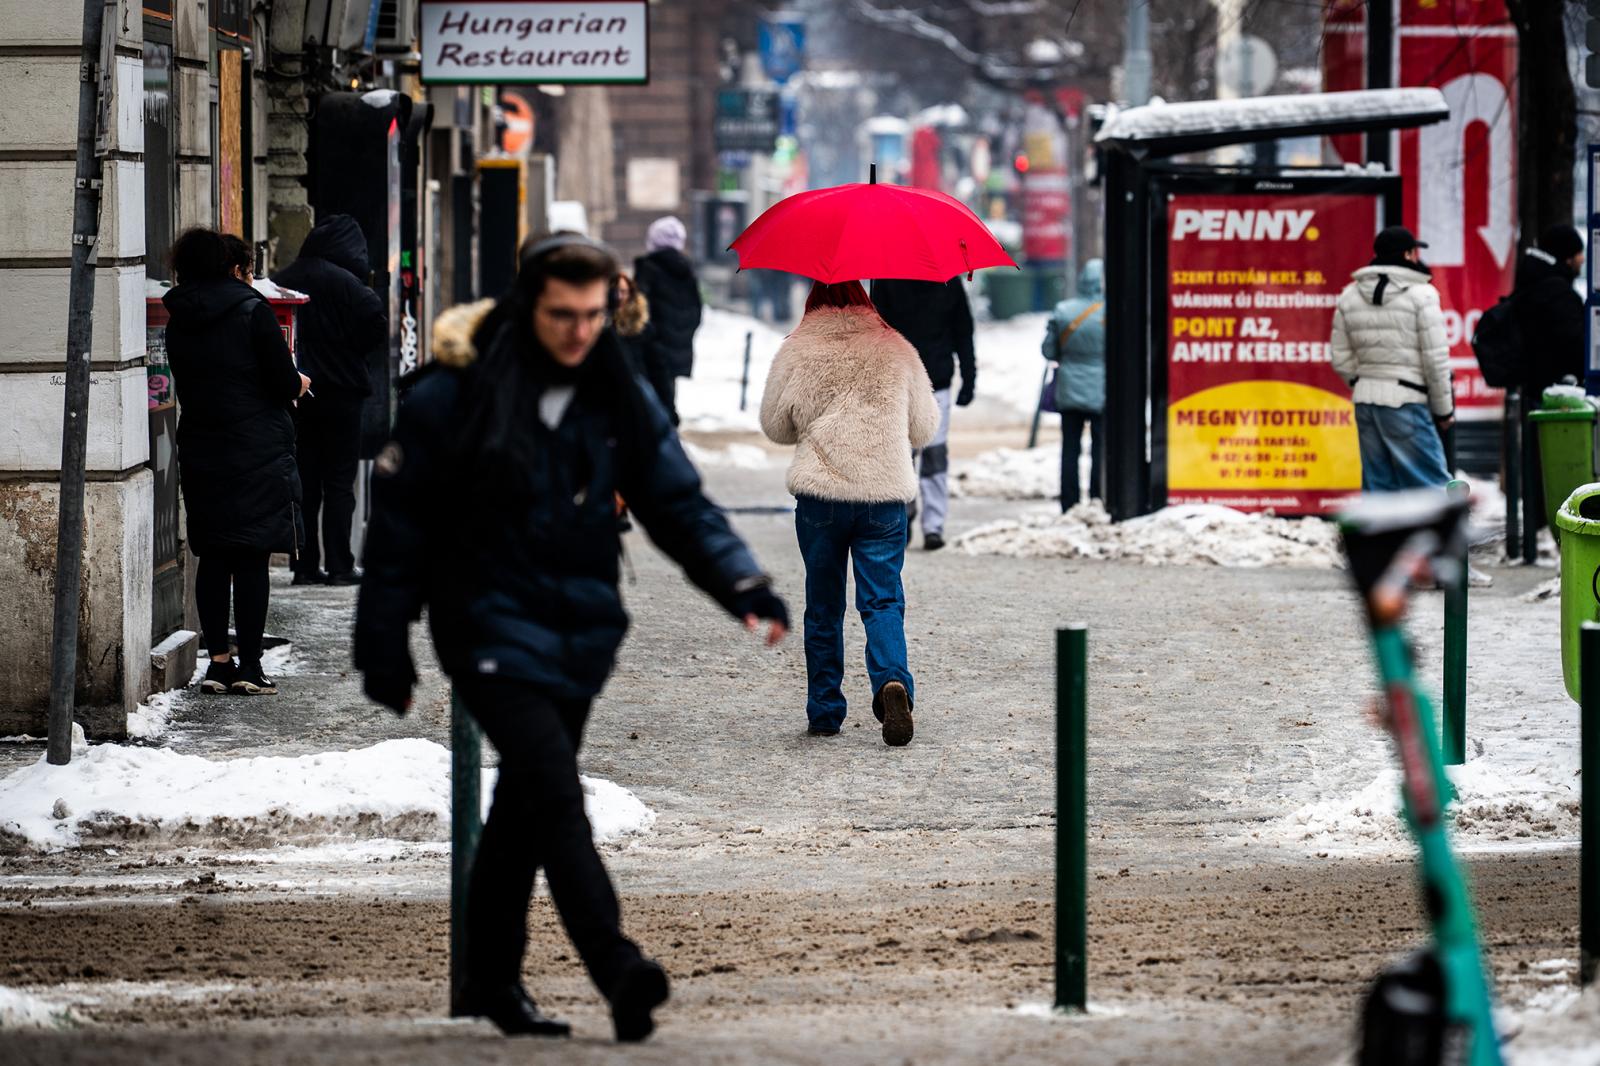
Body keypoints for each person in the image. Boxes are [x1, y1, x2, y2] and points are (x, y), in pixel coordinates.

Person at [354, 234, 788, 1042]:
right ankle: (619, 969)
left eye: (595, 315)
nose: (580, 330)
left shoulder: (613, 387)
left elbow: (676, 499)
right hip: (483, 622)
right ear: (528, 304)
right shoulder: (455, 393)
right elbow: (400, 531)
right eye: (563, 314)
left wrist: (742, 585)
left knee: (523, 811)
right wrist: (382, 642)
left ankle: (491, 980)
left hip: (581, 630)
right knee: (554, 795)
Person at [760, 280, 940, 744]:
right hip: (883, 498)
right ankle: (891, 682)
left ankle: (824, 710)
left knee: (823, 606)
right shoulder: (895, 347)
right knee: (882, 600)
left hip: (821, 498)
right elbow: (925, 427)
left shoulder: (798, 350)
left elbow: (775, 426)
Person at [163, 228, 310, 696]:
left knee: (214, 553)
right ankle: (249, 665)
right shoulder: (252, 311)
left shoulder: (178, 317)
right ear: (231, 267)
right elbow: (282, 380)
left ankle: (218, 665)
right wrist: (300, 383)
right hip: (256, 446)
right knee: (251, 554)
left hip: (204, 445)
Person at [271, 213, 388, 586]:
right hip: (343, 397)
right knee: (339, 481)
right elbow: (376, 325)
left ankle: (303, 564)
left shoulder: (284, 280)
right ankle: (340, 565)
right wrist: (351, 351)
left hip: (297, 394)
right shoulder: (352, 287)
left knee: (303, 478)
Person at [1330, 226, 1454, 492]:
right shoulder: (1423, 295)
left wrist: (1364, 381)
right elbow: (1435, 360)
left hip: (1365, 402)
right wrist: (1444, 410)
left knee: (1379, 490)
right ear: (1408, 254)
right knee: (1429, 487)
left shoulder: (1349, 295)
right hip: (1407, 401)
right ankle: (1434, 534)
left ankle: (1386, 536)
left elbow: (1340, 357)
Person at [870, 277, 976, 551]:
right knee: (931, 454)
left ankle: (906, 520)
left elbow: (875, 331)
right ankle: (931, 525)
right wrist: (968, 376)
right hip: (928, 378)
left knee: (904, 453)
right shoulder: (948, 280)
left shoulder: (885, 278)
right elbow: (963, 331)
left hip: (902, 378)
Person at [1512, 224, 1586, 533]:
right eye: (1579, 253)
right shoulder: (1557, 292)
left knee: (1535, 466)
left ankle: (1534, 530)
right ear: (1568, 256)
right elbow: (1573, 342)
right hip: (1558, 394)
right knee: (1554, 469)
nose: (1583, 259)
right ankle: (1546, 529)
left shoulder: (1532, 284)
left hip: (1534, 387)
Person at [1042, 259, 1106, 511]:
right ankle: (1097, 496)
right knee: (1100, 447)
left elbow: (1048, 350)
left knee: (1070, 448)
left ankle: (1069, 502)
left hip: (1069, 388)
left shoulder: (1063, 311)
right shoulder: (1110, 312)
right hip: (1102, 389)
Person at [632, 216, 703, 425]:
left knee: (651, 403)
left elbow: (638, 310)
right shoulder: (686, 270)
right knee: (668, 394)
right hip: (676, 348)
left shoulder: (648, 269)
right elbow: (696, 311)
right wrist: (681, 336)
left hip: (651, 348)